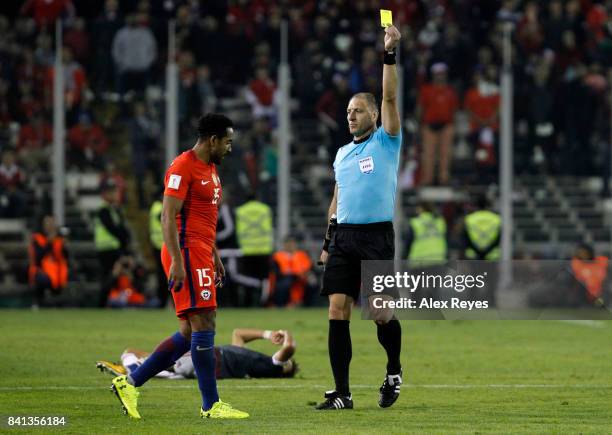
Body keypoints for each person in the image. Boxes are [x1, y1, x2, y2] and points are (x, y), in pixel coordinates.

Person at [109, 114, 249, 420]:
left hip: (200, 251)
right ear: (212, 140)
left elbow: (202, 217)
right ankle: (211, 405)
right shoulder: (182, 167)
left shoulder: (211, 169)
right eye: (227, 142)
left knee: (189, 331)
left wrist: (214, 253)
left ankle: (130, 383)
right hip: (185, 251)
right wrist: (176, 260)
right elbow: (167, 216)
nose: (229, 148)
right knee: (205, 322)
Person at [317, 25, 403, 410]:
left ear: (374, 113)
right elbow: (337, 199)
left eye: (358, 110)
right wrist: (326, 241)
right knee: (338, 309)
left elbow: (388, 93)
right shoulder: (340, 154)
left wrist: (389, 53)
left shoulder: (387, 140)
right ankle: (342, 393)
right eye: (348, 111)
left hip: (376, 237)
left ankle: (394, 370)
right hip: (344, 238)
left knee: (381, 313)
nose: (351, 115)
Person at [97, 328, 298, 380]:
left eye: (287, 362)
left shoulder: (271, 367)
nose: (283, 359)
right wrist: (267, 334)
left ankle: (131, 372)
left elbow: (290, 348)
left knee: (156, 360)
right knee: (132, 351)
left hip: (206, 357)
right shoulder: (244, 359)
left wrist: (284, 334)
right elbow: (239, 334)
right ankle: (132, 368)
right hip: (203, 357)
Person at [417, 62, 458, 186]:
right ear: (433, 75)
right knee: (428, 154)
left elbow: (454, 110)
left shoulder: (450, 91)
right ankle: (427, 179)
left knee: (445, 154)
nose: (440, 77)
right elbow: (420, 108)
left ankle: (444, 179)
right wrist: (420, 124)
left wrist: (453, 125)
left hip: (446, 125)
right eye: (437, 74)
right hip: (429, 125)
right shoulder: (426, 90)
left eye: (442, 74)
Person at [95, 179, 131, 307]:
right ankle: (102, 302)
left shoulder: (113, 209)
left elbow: (122, 230)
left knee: (112, 275)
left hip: (112, 248)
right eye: (113, 192)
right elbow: (116, 229)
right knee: (111, 275)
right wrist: (124, 239)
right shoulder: (103, 210)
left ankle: (106, 302)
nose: (116, 195)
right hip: (107, 249)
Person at [235, 192, 274, 306]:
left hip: (247, 249)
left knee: (248, 278)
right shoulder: (265, 209)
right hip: (263, 249)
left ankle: (247, 302)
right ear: (257, 199)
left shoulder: (240, 210)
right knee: (264, 278)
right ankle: (263, 302)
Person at [28, 215, 68, 308]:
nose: (50, 226)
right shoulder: (37, 237)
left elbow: (64, 256)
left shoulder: (59, 239)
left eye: (52, 223)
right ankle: (37, 302)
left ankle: (58, 304)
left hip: (57, 272)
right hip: (41, 270)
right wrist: (49, 242)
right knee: (42, 279)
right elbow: (38, 258)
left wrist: (65, 246)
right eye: (48, 223)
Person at [269, 236, 315, 307]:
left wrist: (306, 274)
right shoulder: (278, 256)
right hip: (284, 277)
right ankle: (284, 304)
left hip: (302, 276)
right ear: (284, 244)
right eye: (288, 243)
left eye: (292, 243)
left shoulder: (302, 254)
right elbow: (275, 270)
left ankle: (307, 304)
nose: (290, 245)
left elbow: (309, 267)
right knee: (285, 284)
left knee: (312, 282)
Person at [148, 188, 167, 308]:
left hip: (159, 245)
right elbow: (166, 217)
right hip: (161, 246)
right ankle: (163, 302)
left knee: (163, 276)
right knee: (164, 276)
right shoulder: (158, 207)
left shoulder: (155, 206)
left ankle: (163, 302)